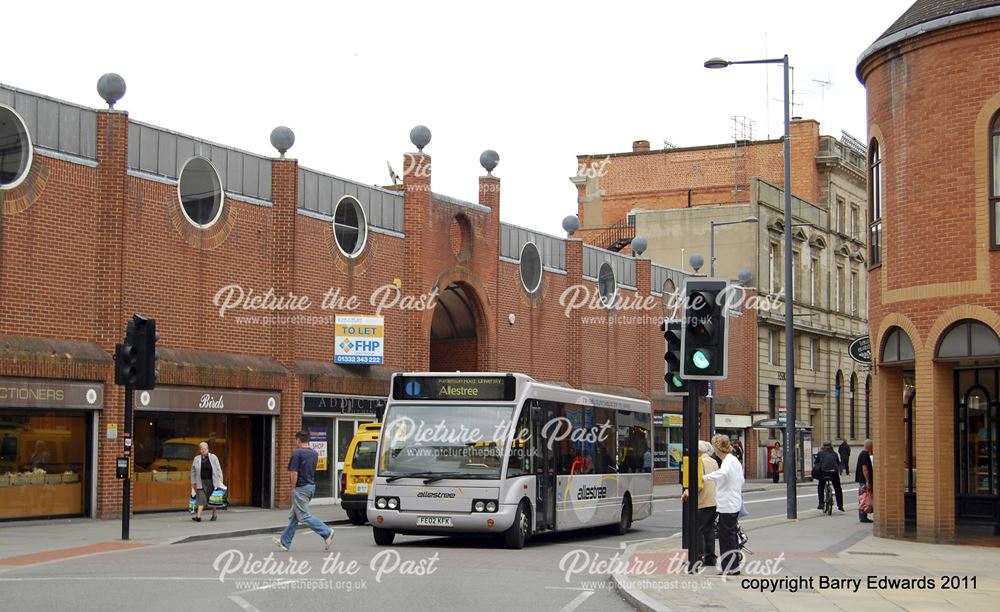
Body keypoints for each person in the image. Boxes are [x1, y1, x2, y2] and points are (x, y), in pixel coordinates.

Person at [275, 430, 335, 551]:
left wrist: (292, 488)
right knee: (295, 517)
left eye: (295, 441)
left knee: (303, 516)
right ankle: (285, 542)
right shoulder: (314, 453)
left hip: (301, 488)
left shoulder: (297, 453)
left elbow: (294, 473)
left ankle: (327, 532)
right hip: (311, 486)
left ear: (298, 440)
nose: (295, 443)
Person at [702, 434, 745, 576]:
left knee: (726, 536)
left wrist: (705, 477)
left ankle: (730, 567)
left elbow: (722, 473)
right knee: (730, 535)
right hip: (733, 502)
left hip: (728, 503)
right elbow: (741, 480)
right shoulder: (734, 460)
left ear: (717, 447)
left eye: (714, 446)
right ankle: (733, 566)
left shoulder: (727, 461)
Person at [681, 441, 719, 567]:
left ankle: (697, 557)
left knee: (697, 529)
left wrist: (687, 492)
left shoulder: (700, 461)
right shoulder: (713, 461)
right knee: (709, 529)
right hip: (714, 500)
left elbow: (697, 482)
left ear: (699, 451)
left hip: (703, 500)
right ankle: (710, 557)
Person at [190, 441, 224, 522]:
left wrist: (220, 481)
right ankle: (198, 517)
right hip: (201, 482)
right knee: (201, 498)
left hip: (212, 482)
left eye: (205, 449)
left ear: (208, 449)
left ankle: (214, 514)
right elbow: (193, 471)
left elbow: (218, 469)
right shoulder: (197, 459)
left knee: (213, 499)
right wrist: (193, 481)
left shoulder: (213, 457)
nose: (203, 450)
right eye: (202, 449)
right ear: (200, 450)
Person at [814, 440, 844, 512]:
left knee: (820, 486)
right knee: (838, 488)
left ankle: (821, 503)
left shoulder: (820, 453)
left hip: (823, 473)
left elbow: (816, 463)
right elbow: (838, 463)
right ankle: (840, 505)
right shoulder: (834, 454)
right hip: (834, 473)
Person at [855, 439, 874, 523]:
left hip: (862, 479)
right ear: (870, 447)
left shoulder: (862, 454)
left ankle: (863, 514)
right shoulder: (865, 455)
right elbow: (865, 468)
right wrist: (868, 481)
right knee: (864, 497)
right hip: (863, 479)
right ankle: (863, 515)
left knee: (863, 497)